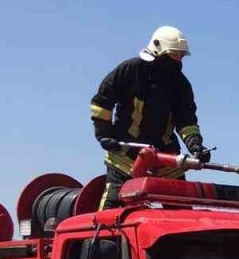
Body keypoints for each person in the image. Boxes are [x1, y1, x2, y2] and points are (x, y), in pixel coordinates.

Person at [89, 26, 210, 208]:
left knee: (180, 214)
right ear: (157, 49)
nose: (178, 61)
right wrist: (104, 134)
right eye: (173, 55)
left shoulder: (181, 84)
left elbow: (187, 121)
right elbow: (101, 103)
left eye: (181, 56)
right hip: (126, 158)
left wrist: (196, 145)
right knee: (113, 212)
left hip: (167, 161)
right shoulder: (130, 70)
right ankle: (104, 238)